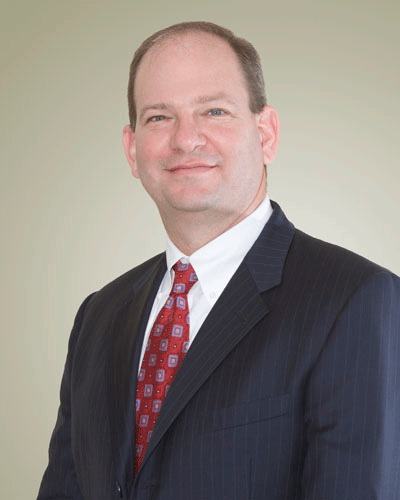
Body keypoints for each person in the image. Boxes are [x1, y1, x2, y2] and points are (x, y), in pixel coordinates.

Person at [37, 21, 400, 500]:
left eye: (214, 111)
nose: (186, 139)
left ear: (266, 133)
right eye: (159, 117)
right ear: (131, 149)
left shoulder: (355, 300)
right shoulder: (98, 317)